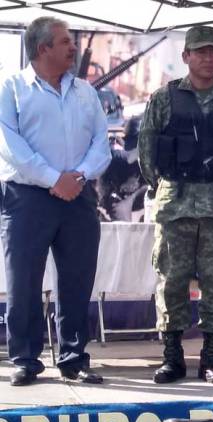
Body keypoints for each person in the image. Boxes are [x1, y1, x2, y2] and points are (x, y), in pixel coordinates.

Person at [0, 16, 111, 386]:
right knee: (24, 282)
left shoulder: (86, 92)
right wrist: (53, 179)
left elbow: (101, 143)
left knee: (77, 280)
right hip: (26, 197)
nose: (73, 47)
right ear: (43, 47)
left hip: (78, 195)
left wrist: (77, 177)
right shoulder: (12, 87)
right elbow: (9, 145)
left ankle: (74, 358)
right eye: (65, 42)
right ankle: (25, 360)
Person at [138, 25, 213, 384]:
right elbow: (146, 149)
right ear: (186, 56)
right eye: (200, 51)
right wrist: (161, 185)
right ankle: (172, 358)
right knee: (171, 281)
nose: (207, 58)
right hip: (176, 206)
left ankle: (211, 358)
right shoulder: (163, 99)